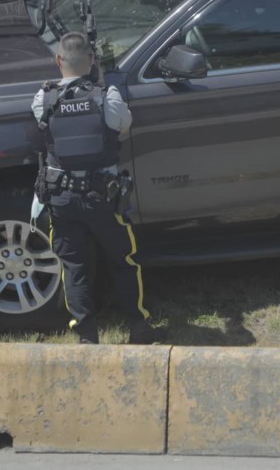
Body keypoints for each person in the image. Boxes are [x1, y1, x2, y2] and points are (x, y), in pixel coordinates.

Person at [32, 32, 164, 345]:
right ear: (92, 61)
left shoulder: (43, 98)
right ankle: (138, 327)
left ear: (58, 61)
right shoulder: (107, 96)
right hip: (103, 197)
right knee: (123, 261)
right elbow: (122, 125)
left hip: (61, 197)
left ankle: (86, 336)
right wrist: (99, 85)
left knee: (74, 266)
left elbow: (46, 126)